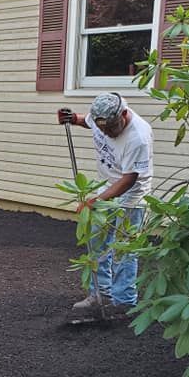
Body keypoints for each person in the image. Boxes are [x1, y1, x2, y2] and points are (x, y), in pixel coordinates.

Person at [57, 92, 153, 318]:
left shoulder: (137, 136)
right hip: (107, 187)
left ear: (123, 114)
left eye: (111, 128)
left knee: (124, 250)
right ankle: (99, 294)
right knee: (97, 243)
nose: (106, 133)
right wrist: (72, 118)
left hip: (132, 196)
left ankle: (124, 302)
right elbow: (86, 121)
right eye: (103, 129)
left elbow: (129, 179)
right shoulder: (101, 117)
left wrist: (94, 202)